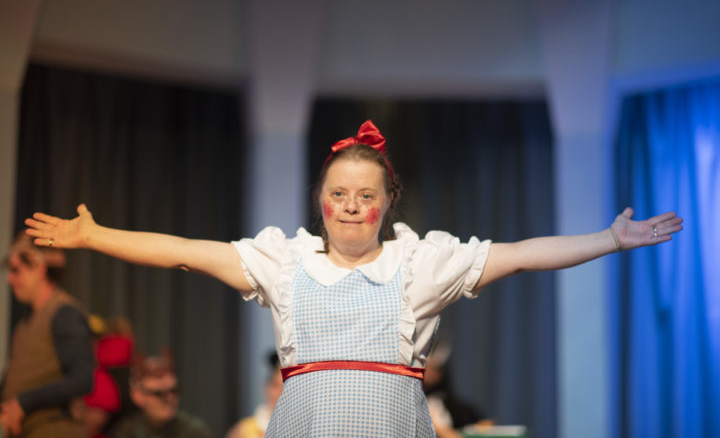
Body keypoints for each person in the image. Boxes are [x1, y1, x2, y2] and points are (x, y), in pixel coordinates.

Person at [23, 120, 684, 437]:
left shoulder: (419, 265)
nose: (350, 205)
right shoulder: (285, 263)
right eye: (339, 192)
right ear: (320, 199)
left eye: (365, 195)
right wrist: (93, 235)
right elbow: (183, 251)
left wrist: (608, 239)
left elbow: (519, 254)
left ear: (386, 202)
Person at [0, 233, 94, 437]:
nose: (10, 279)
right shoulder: (26, 323)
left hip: (55, 429)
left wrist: (23, 403)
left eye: (16, 270)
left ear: (40, 268)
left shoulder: (64, 313)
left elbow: (82, 379)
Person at [109, 350, 211, 438]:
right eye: (158, 393)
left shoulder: (194, 432)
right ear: (137, 396)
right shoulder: (127, 432)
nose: (168, 398)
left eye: (173, 390)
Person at [225, 352, 283, 438]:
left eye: (284, 388)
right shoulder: (243, 431)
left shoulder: (303, 429)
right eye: (275, 385)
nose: (280, 393)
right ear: (266, 388)